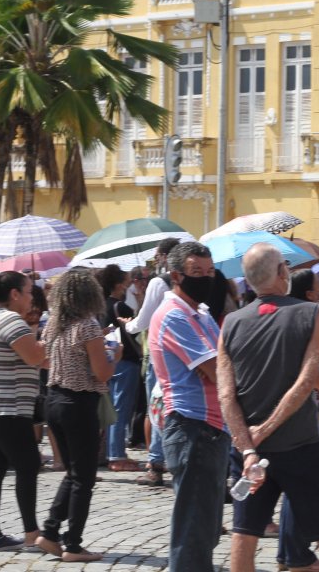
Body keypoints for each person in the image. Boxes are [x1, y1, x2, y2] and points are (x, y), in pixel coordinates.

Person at [218, 243, 319, 572]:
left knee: (244, 535)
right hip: (301, 446)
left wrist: (248, 448)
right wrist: (262, 433)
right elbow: (306, 381)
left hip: (250, 451)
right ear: (282, 273)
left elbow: (226, 395)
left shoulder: (231, 322)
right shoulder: (312, 313)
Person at [148, 242, 226, 572]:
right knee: (193, 529)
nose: (206, 279)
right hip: (193, 426)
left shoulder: (201, 313)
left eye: (210, 272)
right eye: (197, 272)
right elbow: (216, 368)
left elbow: (223, 362)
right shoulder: (174, 315)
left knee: (205, 526)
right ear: (177, 275)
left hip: (210, 427)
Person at [34, 271, 118, 562]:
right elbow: (102, 373)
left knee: (73, 473)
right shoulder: (88, 325)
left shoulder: (54, 325)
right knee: (84, 478)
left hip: (54, 400)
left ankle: (50, 532)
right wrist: (115, 355)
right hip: (78, 403)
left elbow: (47, 360)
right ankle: (73, 545)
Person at [0, 272, 47, 552]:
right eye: (28, 292)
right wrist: (50, 340)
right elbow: (35, 356)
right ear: (14, 294)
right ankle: (32, 533)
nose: (31, 297)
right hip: (7, 405)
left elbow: (32, 357)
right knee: (28, 465)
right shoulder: (12, 320)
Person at [123, 237, 181, 487]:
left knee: (157, 405)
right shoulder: (203, 279)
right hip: (188, 352)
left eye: (158, 256)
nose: (156, 260)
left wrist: (129, 325)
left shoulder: (160, 282)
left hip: (160, 351)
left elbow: (144, 320)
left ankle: (156, 462)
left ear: (165, 256)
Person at [96, 264, 142, 472]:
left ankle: (110, 451)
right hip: (126, 360)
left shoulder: (100, 307)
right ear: (117, 285)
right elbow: (136, 332)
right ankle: (116, 455)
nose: (127, 286)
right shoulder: (120, 307)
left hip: (108, 360)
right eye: (125, 282)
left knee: (110, 408)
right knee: (121, 409)